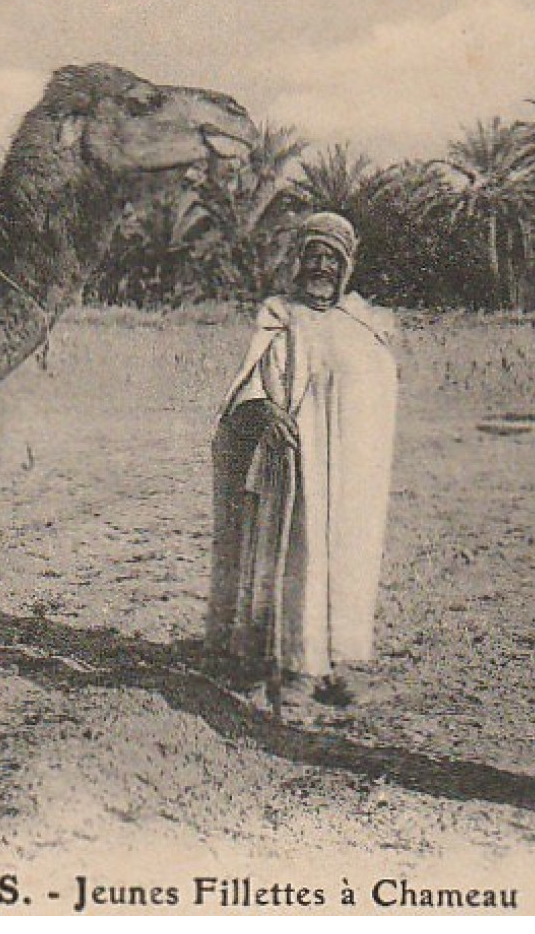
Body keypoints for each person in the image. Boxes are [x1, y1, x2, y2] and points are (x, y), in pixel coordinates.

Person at [206, 212, 398, 708]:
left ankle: (331, 663)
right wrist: (267, 410)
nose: (320, 266)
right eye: (312, 255)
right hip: (292, 465)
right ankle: (290, 665)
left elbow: (378, 395)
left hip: (350, 477)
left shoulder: (363, 326)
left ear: (346, 266)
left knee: (344, 562)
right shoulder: (280, 317)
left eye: (331, 258)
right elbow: (247, 386)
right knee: (295, 560)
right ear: (298, 261)